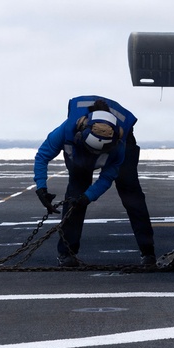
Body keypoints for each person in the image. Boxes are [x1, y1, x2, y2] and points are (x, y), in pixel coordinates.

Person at [33, 95, 156, 268]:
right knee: (75, 192)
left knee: (131, 193)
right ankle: (67, 254)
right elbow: (42, 156)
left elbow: (107, 177)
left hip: (119, 142)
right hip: (79, 148)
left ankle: (147, 251)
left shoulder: (119, 146)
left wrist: (88, 197)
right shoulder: (67, 129)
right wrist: (41, 187)